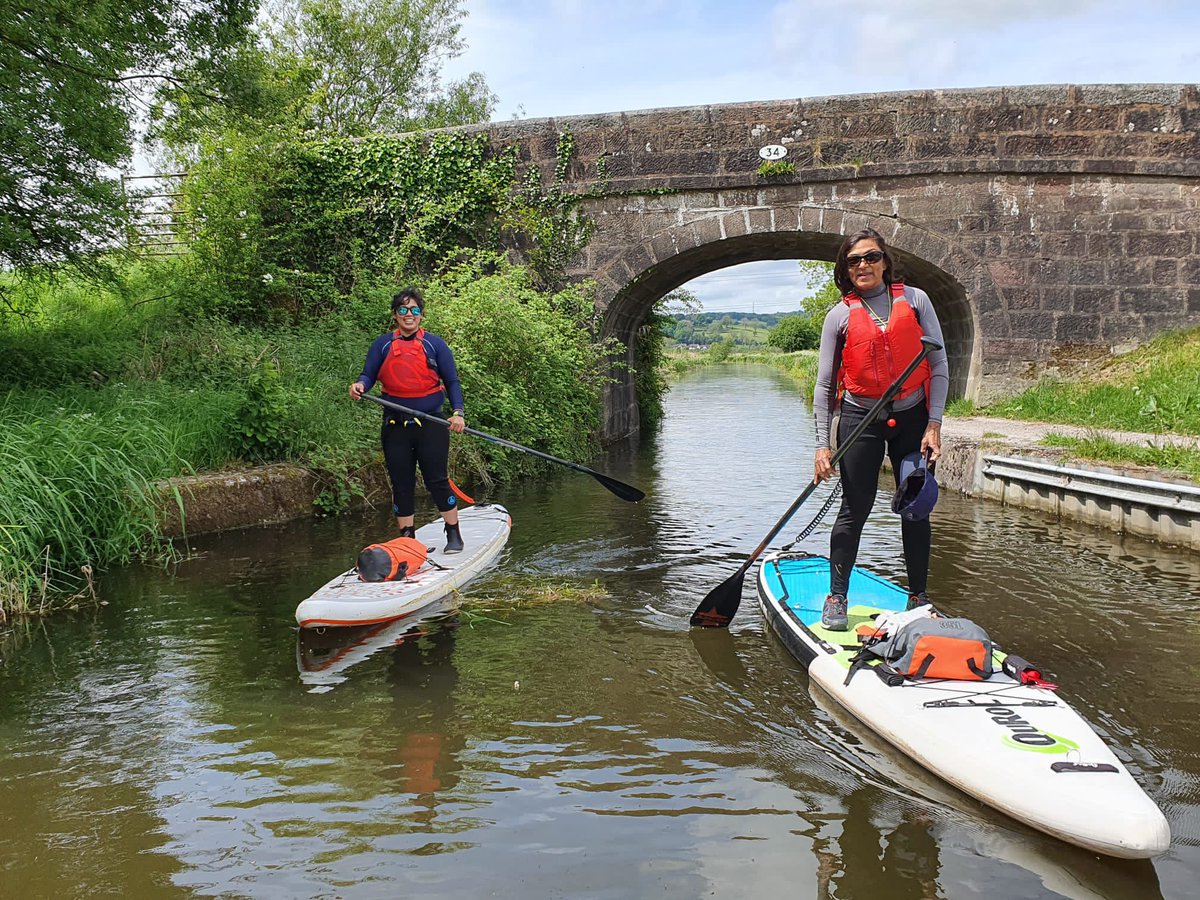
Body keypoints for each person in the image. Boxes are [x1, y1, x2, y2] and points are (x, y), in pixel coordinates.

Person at [812, 228, 949, 630]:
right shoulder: (839, 316)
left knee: (916, 507)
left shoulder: (917, 301)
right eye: (854, 261)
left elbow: (938, 366)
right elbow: (824, 385)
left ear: (885, 261)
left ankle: (919, 597)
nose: (863, 266)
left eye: (871, 257)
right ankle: (837, 596)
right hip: (861, 420)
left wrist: (934, 424)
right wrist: (822, 446)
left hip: (912, 419)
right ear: (845, 269)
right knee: (855, 509)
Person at [350, 288, 467, 552]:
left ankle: (453, 533)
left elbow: (452, 381)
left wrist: (457, 412)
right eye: (403, 310)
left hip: (431, 424)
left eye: (414, 310)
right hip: (395, 425)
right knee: (401, 482)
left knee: (436, 479)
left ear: (422, 315)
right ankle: (408, 541)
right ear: (395, 315)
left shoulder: (435, 344)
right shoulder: (382, 344)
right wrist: (360, 386)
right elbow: (368, 375)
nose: (409, 315)